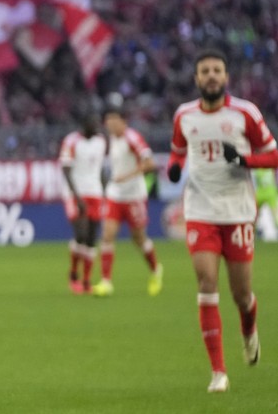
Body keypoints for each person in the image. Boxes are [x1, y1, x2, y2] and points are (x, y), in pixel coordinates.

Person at [167, 48, 278, 393]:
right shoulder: (184, 115)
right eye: (205, 71)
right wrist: (174, 167)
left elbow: (273, 154)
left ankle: (249, 331)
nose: (211, 75)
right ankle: (218, 371)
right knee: (206, 285)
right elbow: (178, 150)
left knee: (241, 294)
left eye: (217, 70)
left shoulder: (245, 113)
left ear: (225, 77)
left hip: (238, 212)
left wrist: (245, 160)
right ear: (197, 78)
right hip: (201, 211)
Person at [91, 107, 163, 297]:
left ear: (123, 121)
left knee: (138, 238)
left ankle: (156, 270)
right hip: (115, 194)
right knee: (107, 235)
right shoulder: (112, 139)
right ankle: (106, 282)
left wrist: (127, 176)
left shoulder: (133, 138)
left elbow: (150, 164)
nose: (109, 124)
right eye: (107, 120)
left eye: (113, 120)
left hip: (134, 196)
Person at [58, 114, 106, 295]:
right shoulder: (71, 141)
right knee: (81, 234)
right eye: (94, 122)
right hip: (75, 194)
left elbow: (100, 169)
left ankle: (86, 281)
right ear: (85, 124)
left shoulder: (100, 141)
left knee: (92, 238)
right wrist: (76, 197)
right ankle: (73, 275)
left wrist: (105, 190)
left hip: (95, 193)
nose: (97, 126)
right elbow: (66, 169)